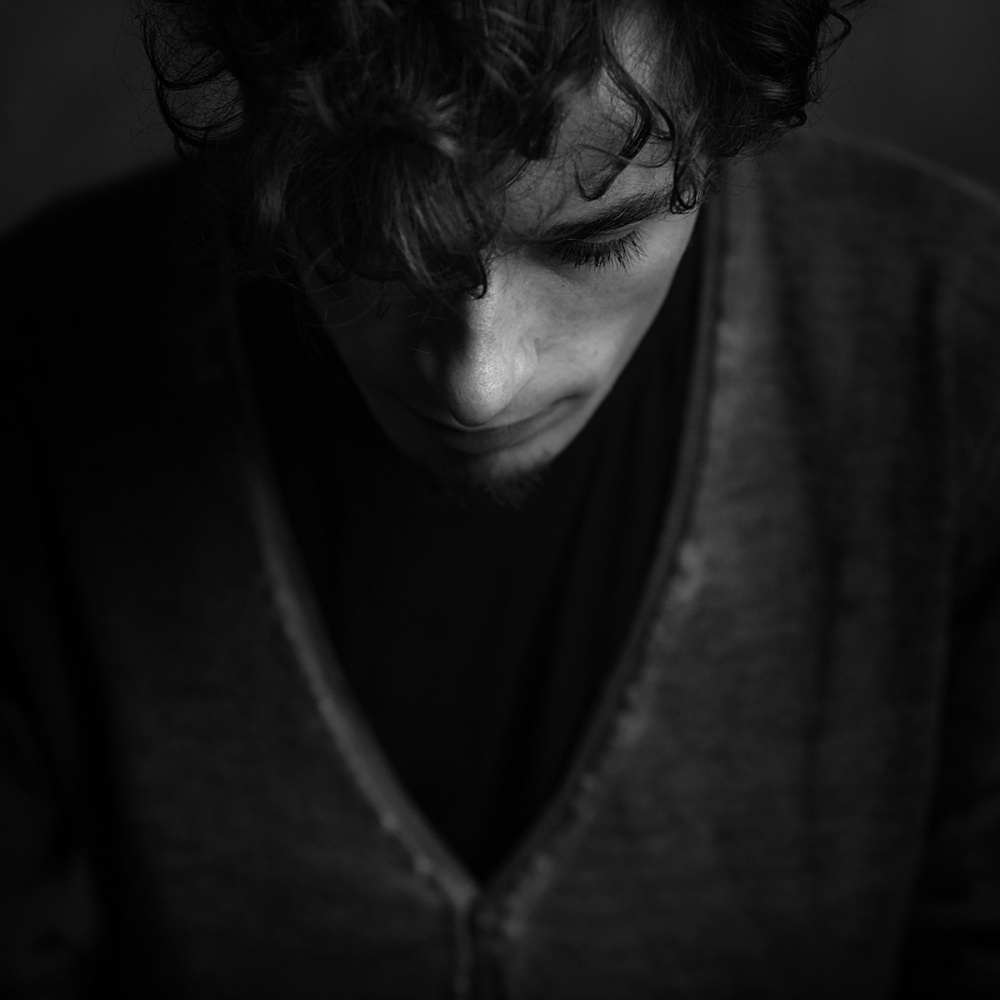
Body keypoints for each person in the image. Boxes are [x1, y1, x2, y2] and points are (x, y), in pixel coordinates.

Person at [2, 0, 999, 996]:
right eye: (373, 230)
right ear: (268, 118)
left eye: (594, 244)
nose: (478, 385)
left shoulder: (959, 350)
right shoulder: (45, 361)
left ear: (724, 120)